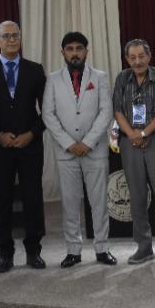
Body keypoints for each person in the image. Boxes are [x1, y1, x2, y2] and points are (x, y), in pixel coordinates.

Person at [0, 21, 47, 273]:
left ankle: (34, 251)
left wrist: (31, 133)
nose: (11, 40)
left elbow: (47, 110)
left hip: (30, 145)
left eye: (15, 35)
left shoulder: (35, 70)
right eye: (6, 36)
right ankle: (5, 253)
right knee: (2, 200)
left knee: (32, 198)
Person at [42, 31, 116, 268]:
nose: (75, 53)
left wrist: (87, 142)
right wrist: (69, 144)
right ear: (62, 52)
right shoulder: (53, 79)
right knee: (70, 203)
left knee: (99, 202)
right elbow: (48, 114)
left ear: (86, 51)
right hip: (66, 153)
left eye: (79, 49)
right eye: (70, 49)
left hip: (95, 150)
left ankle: (102, 249)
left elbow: (106, 111)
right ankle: (73, 250)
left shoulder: (100, 77)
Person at [112, 39, 155, 265]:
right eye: (132, 57)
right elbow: (117, 110)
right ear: (127, 59)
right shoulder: (122, 78)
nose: (137, 61)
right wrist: (132, 134)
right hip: (130, 142)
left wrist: (143, 133)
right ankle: (144, 247)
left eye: (141, 56)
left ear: (149, 56)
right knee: (137, 198)